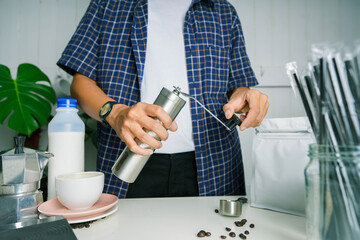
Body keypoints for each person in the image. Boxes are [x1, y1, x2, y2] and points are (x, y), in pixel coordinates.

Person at [57, 0, 269, 199]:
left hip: (213, 165)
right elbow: (80, 83)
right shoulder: (108, 5)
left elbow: (239, 86)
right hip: (128, 161)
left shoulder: (223, 12)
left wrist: (244, 97)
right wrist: (115, 113)